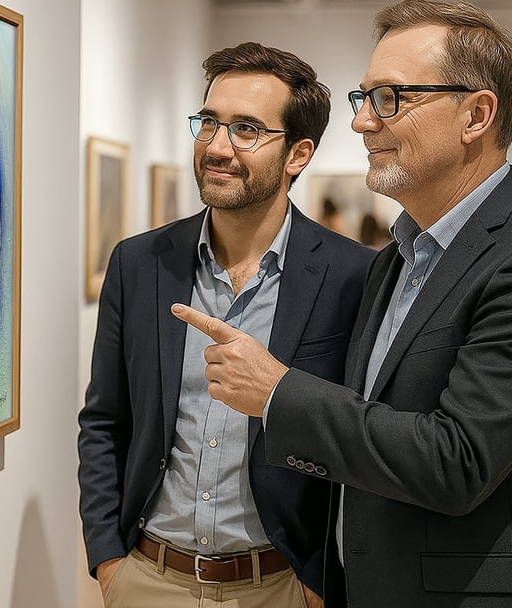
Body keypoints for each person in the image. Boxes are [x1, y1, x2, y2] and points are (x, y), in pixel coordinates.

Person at [172, 0, 512, 608]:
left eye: (389, 99)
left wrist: (278, 391)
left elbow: (458, 461)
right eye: (362, 99)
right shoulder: (398, 257)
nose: (363, 122)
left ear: (477, 114)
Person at [77, 42, 374, 608]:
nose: (216, 147)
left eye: (246, 129)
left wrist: (317, 584)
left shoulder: (351, 275)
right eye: (209, 122)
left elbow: (355, 435)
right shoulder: (139, 264)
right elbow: (104, 421)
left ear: (298, 153)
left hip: (281, 585)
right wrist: (108, 561)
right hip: (148, 579)